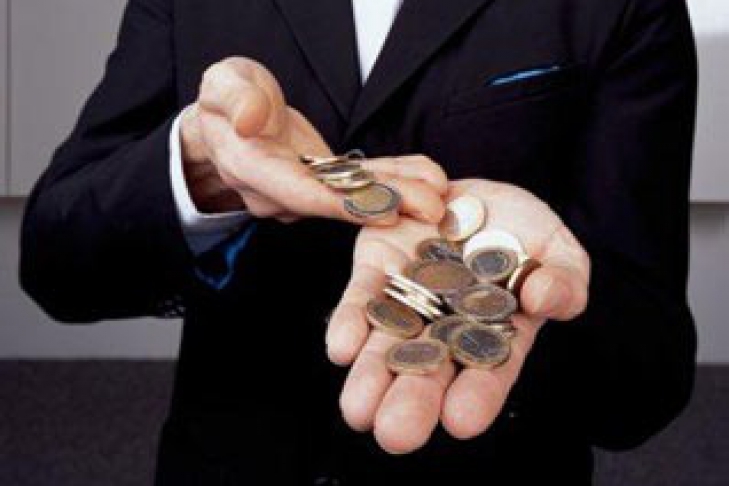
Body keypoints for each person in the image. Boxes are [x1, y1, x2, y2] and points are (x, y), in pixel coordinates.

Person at [19, 0, 698, 484]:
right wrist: (202, 170)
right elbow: (56, 263)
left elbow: (647, 380)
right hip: (232, 460)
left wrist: (517, 287)